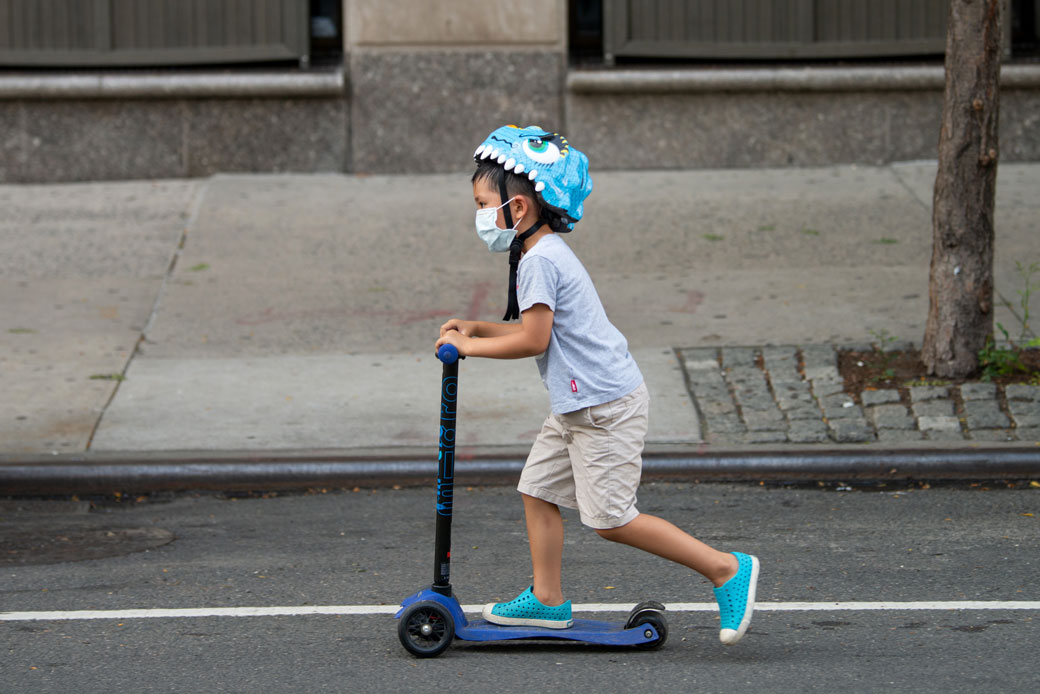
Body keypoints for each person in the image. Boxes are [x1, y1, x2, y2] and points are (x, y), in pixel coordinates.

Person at [434, 125, 759, 646]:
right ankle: (546, 600)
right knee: (537, 491)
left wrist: (470, 346)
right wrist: (475, 327)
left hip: (604, 407)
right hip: (579, 403)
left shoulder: (538, 259)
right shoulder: (539, 250)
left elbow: (535, 340)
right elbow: (532, 327)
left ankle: (725, 568)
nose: (479, 216)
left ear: (516, 209)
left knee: (610, 519)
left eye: (482, 203)